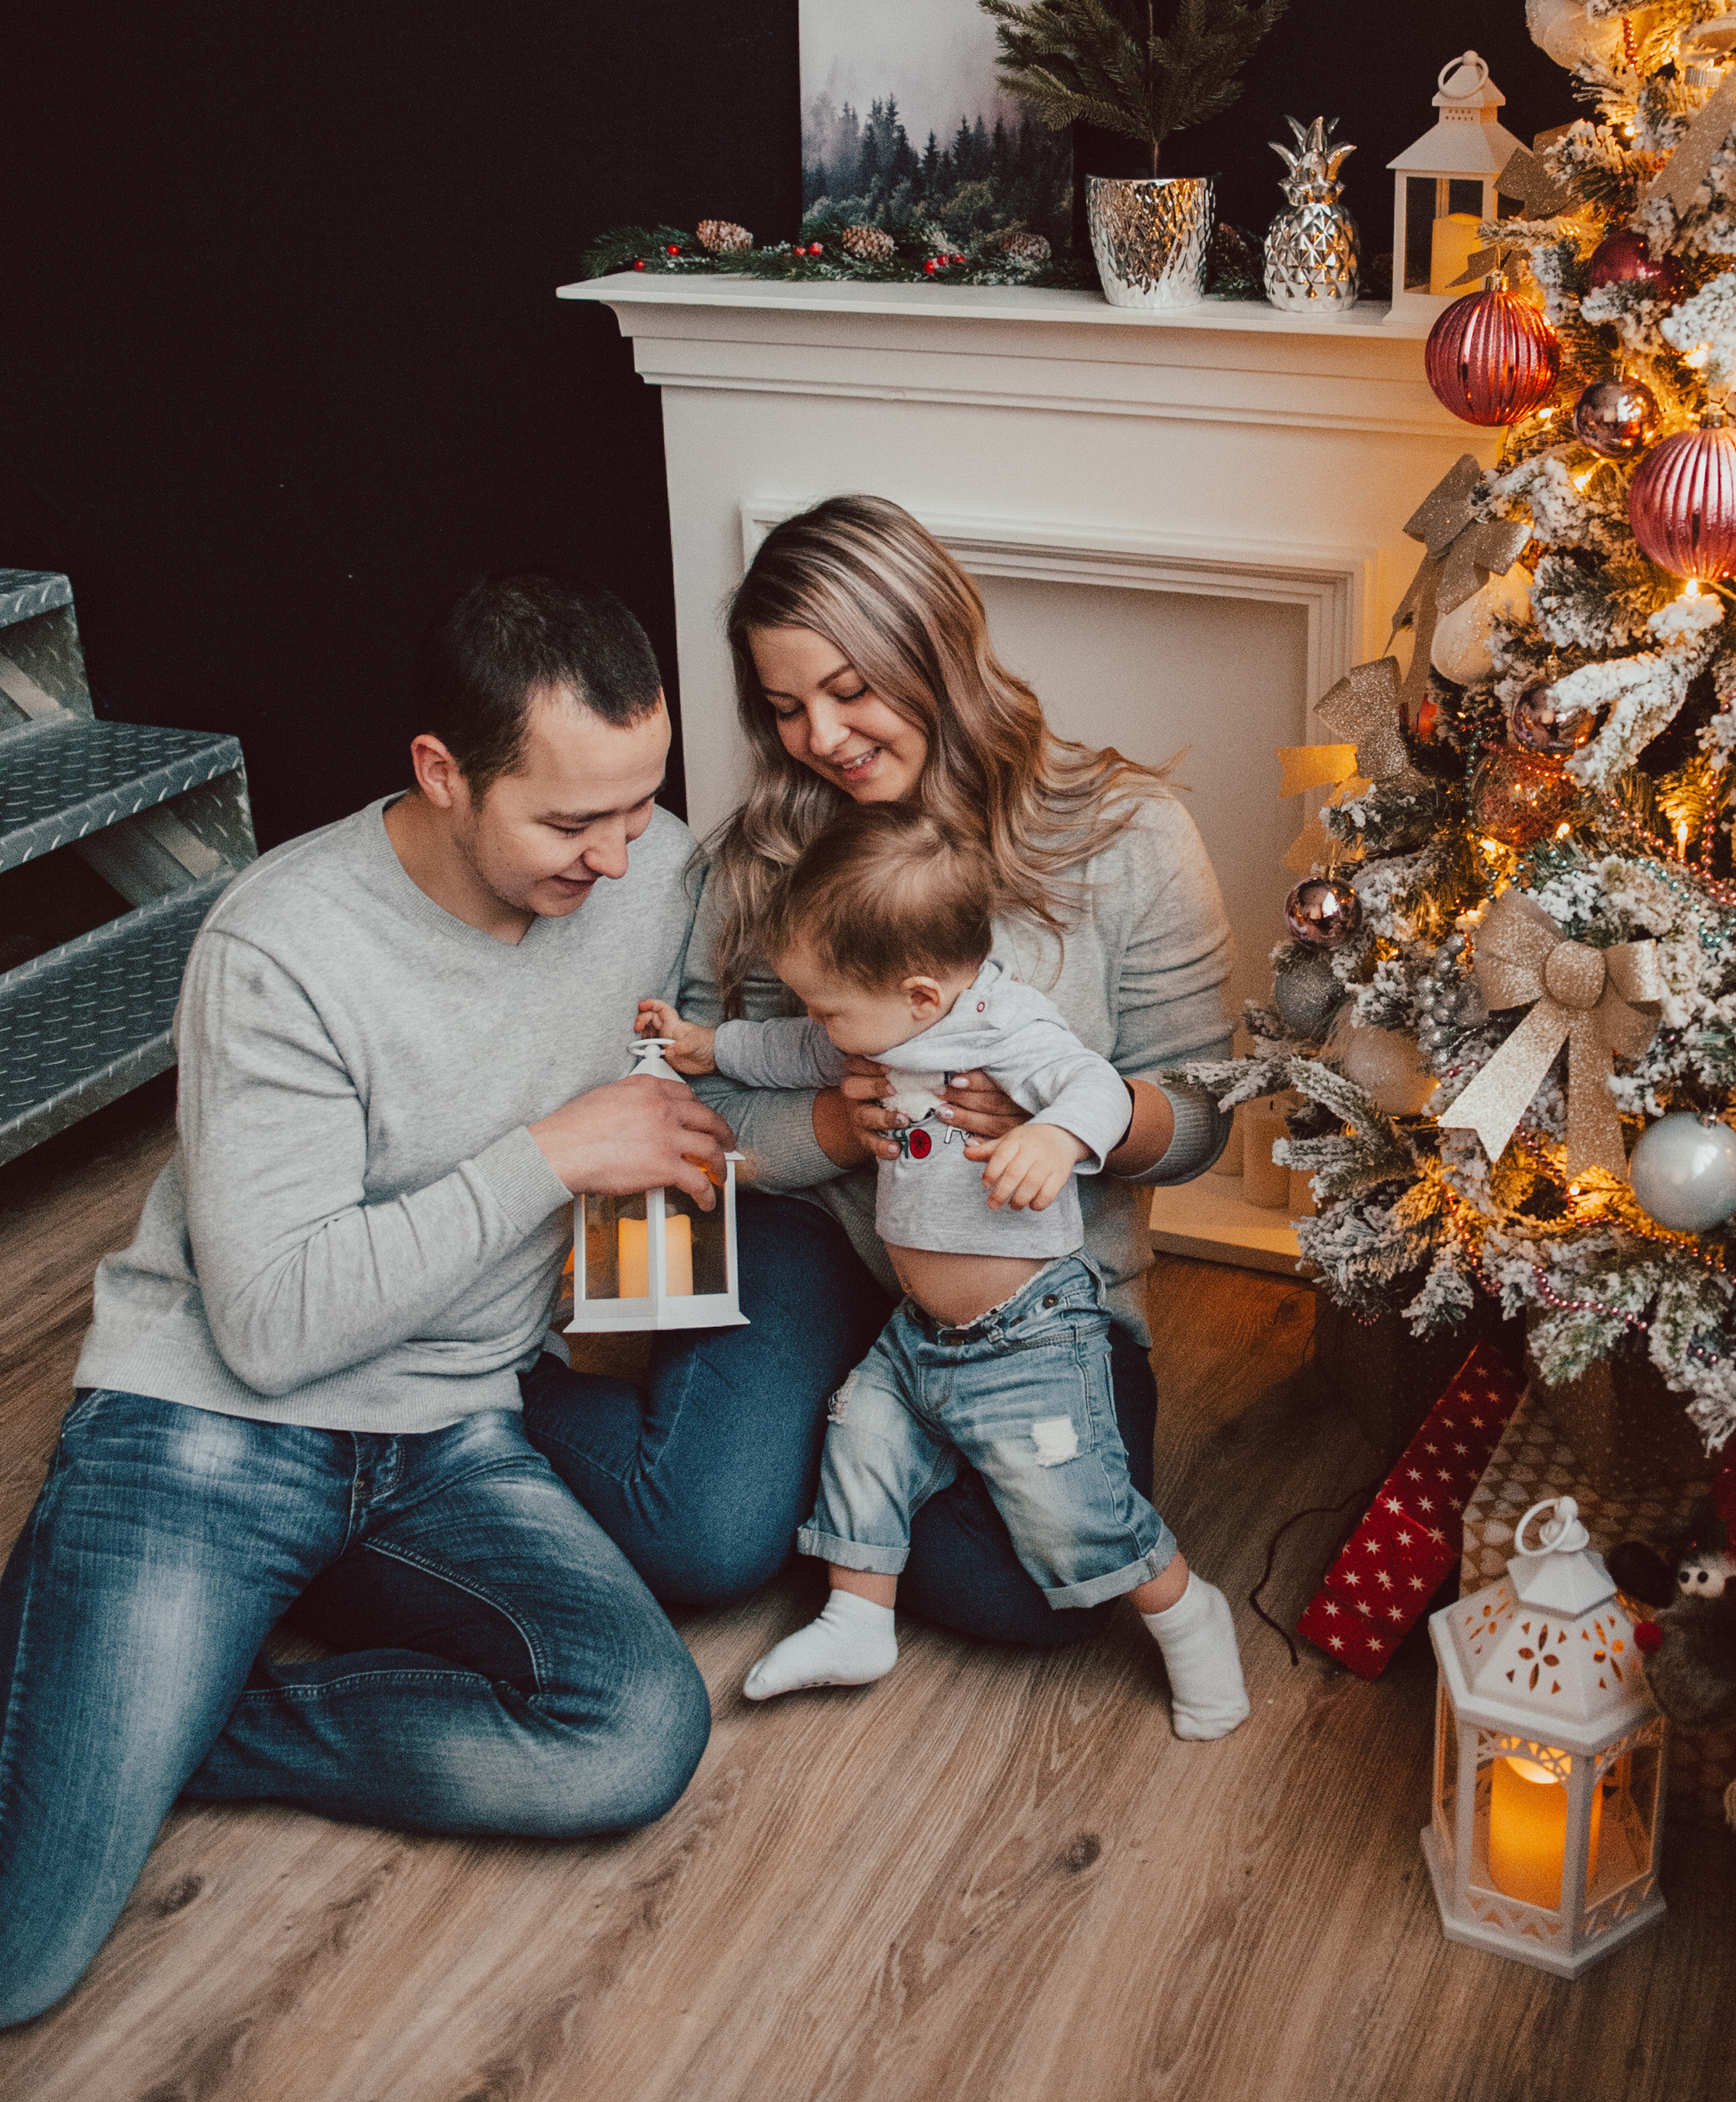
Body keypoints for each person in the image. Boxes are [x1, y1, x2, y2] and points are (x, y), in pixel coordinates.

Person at [0, 573, 732, 2029]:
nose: (620, 853)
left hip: (452, 1431)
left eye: (640, 802)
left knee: (632, 1730)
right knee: (20, 1962)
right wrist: (551, 1156)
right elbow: (272, 1330)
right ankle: (94, 1729)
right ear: (443, 774)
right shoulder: (280, 946)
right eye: (570, 821)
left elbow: (718, 1048)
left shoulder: (655, 870)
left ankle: (172, 1733)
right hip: (207, 1427)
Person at [521, 494, 1239, 1650]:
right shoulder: (760, 858)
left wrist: (1068, 1125)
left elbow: (1207, 1115)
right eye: (786, 706)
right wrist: (832, 1129)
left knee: (1033, 1594)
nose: (823, 737)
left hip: (1035, 1298)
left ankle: (810, 1442)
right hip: (814, 1241)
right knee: (699, 1540)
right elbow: (690, 1095)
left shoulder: (1128, 837)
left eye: (850, 689)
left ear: (938, 646)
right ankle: (467, 1397)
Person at [637, 806, 1249, 1738]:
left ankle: (1184, 1612)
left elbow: (1092, 1085)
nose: (822, 1025)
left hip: (1029, 1339)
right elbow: (791, 1048)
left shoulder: (1010, 1029)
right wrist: (705, 1047)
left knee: (1072, 1516)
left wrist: (1052, 1132)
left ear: (921, 995)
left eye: (833, 1008)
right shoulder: (869, 1019)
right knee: (863, 1438)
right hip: (918, 1333)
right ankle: (856, 1617)